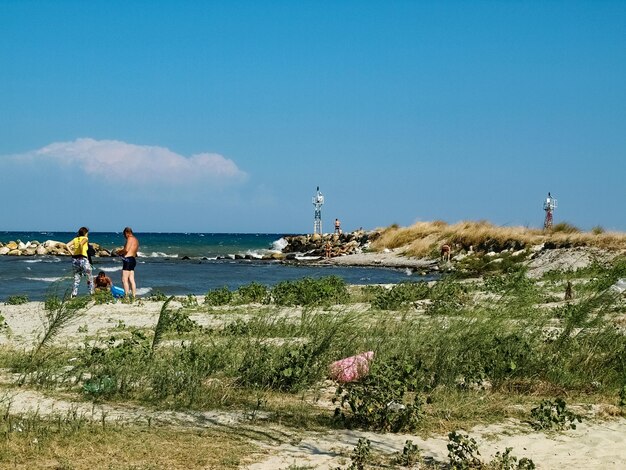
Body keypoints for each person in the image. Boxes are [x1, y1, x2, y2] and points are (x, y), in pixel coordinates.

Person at [66, 227, 94, 297]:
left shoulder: (75, 239)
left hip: (75, 260)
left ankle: (74, 295)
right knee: (89, 277)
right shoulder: (85, 238)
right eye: (87, 233)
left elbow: (67, 245)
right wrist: (81, 253)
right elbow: (81, 244)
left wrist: (72, 253)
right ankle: (92, 293)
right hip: (83, 259)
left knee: (76, 278)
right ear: (85, 233)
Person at [116, 227, 139, 298]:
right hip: (133, 260)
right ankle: (134, 296)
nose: (125, 237)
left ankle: (126, 296)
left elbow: (126, 250)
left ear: (127, 233)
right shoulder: (136, 240)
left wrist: (119, 252)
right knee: (131, 279)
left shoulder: (130, 238)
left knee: (124, 279)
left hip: (128, 260)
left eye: (124, 235)